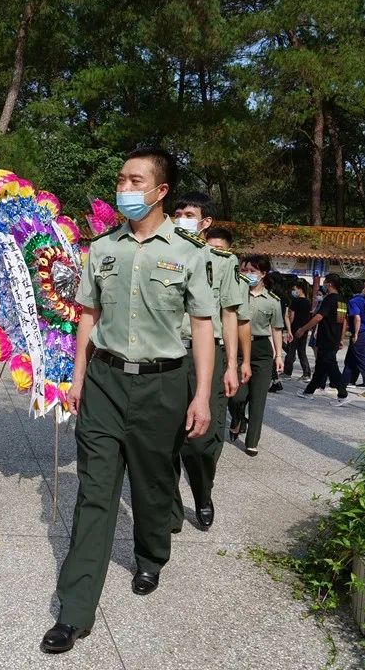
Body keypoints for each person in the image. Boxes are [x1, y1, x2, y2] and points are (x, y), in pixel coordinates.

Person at [41, 147, 216, 655]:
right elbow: (87, 317)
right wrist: (77, 379)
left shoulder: (189, 252)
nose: (125, 188)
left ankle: (151, 554)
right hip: (105, 383)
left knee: (153, 480)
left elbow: (202, 328)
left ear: (161, 191)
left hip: (164, 385)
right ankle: (74, 613)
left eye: (135, 180)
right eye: (121, 179)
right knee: (94, 493)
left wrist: (201, 395)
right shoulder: (102, 249)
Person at [169, 208, 249, 532]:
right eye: (176, 212)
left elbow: (229, 314)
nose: (181, 218)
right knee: (164, 438)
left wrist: (231, 364)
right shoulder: (160, 254)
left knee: (202, 441)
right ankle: (170, 510)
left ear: (205, 222)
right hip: (168, 353)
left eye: (188, 214)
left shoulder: (222, 261)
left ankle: (203, 493)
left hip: (208, 353)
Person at [227, 255, 285, 455]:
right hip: (238, 350)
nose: (248, 274)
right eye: (244, 270)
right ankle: (237, 418)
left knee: (258, 399)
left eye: (252, 271)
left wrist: (278, 355)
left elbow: (277, 329)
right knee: (235, 395)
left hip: (261, 351)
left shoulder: (273, 301)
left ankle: (252, 441)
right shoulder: (233, 295)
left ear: (263, 274)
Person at [295, 273, 349, 405]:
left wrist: (303, 329)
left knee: (332, 367)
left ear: (329, 284)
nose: (323, 285)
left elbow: (319, 317)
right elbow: (343, 322)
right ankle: (308, 392)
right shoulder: (341, 300)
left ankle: (343, 394)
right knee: (320, 367)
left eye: (325, 282)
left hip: (327, 338)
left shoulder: (329, 299)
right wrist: (341, 338)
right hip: (334, 338)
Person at [341, 285, 365, 397]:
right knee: (350, 362)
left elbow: (357, 318)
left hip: (359, 334)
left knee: (363, 362)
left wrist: (355, 334)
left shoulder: (353, 302)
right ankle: (341, 385)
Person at [266, 271, 290, 393]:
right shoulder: (284, 296)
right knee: (275, 354)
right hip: (278, 328)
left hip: (269, 326)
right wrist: (288, 331)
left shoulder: (270, 295)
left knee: (271, 354)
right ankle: (276, 380)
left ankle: (275, 381)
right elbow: (285, 315)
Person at [283, 279, 312, 380]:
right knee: (301, 351)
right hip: (304, 329)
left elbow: (291, 316)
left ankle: (287, 372)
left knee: (291, 351)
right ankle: (307, 373)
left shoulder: (295, 301)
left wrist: (289, 329)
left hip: (295, 329)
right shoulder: (308, 302)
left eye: (295, 289)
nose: (293, 291)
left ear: (300, 289)